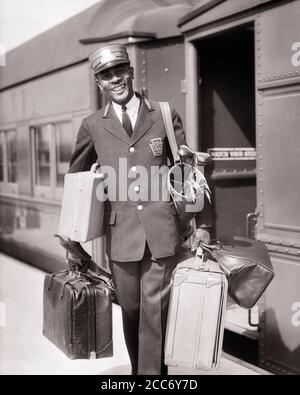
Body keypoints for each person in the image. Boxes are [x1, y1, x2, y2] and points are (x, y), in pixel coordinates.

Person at [68, 44, 212, 375]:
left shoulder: (163, 113)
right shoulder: (92, 125)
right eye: (106, 75)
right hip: (121, 237)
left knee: (155, 311)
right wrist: (71, 240)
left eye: (120, 71)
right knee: (131, 311)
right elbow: (75, 181)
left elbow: (186, 171)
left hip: (162, 232)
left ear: (131, 72)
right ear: (98, 82)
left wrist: (202, 224)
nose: (115, 79)